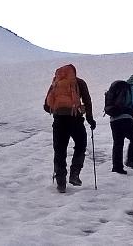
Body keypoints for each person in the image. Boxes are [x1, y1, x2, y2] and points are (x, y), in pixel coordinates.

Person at [42, 64, 96, 193]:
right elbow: (87, 101)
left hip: (59, 121)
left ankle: (61, 183)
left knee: (59, 151)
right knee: (80, 145)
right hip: (75, 120)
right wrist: (90, 118)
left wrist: (58, 110)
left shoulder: (56, 83)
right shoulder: (79, 82)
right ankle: (74, 174)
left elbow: (46, 106)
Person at [104, 73, 133, 174]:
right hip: (125, 118)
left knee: (118, 144)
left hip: (114, 119)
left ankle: (117, 167)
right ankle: (131, 161)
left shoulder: (120, 88)